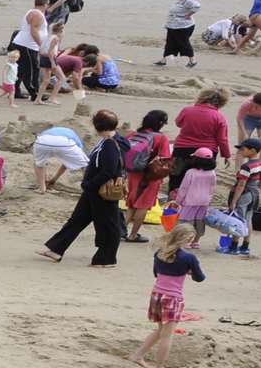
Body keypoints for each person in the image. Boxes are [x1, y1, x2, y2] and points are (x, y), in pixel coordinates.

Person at [37, 111, 126, 266]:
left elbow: (108, 171)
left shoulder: (110, 144)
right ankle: (56, 249)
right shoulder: (108, 141)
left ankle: (106, 258)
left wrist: (89, 183)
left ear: (97, 126)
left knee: (108, 224)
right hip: (93, 191)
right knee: (77, 220)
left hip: (102, 191)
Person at [132, 226, 204, 368]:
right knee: (167, 335)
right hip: (172, 298)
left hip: (157, 295)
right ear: (188, 239)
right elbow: (200, 278)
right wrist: (188, 271)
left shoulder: (160, 253)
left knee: (161, 331)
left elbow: (155, 273)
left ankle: (138, 355)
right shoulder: (188, 258)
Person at [121, 109, 174, 242]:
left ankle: (120, 231)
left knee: (131, 204)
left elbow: (123, 150)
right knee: (143, 206)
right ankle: (133, 235)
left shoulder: (133, 134)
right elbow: (165, 157)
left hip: (133, 173)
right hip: (150, 176)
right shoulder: (161, 138)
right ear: (160, 123)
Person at [224, 139, 261, 257]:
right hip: (254, 193)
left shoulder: (246, 167)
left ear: (252, 150)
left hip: (245, 194)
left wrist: (234, 201)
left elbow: (241, 185)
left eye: (243, 149)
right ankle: (245, 245)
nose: (241, 151)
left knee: (238, 219)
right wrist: (256, 187)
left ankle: (234, 245)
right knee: (248, 219)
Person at [171, 148, 218, 241]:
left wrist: (178, 201)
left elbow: (183, 188)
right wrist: (209, 199)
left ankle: (186, 240)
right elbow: (212, 188)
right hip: (204, 202)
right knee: (199, 221)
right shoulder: (212, 173)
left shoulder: (191, 172)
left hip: (190, 201)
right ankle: (196, 241)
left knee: (187, 221)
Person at [11, 0, 50, 102]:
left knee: (21, 70)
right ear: (45, 4)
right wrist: (41, 45)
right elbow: (34, 31)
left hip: (22, 43)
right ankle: (35, 93)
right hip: (28, 45)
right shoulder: (37, 15)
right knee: (32, 70)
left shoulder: (32, 12)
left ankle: (15, 90)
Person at [158, 0, 201, 68]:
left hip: (183, 26)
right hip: (173, 26)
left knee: (184, 43)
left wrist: (189, 15)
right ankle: (163, 60)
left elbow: (197, 6)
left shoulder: (188, 0)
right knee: (169, 43)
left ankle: (192, 61)